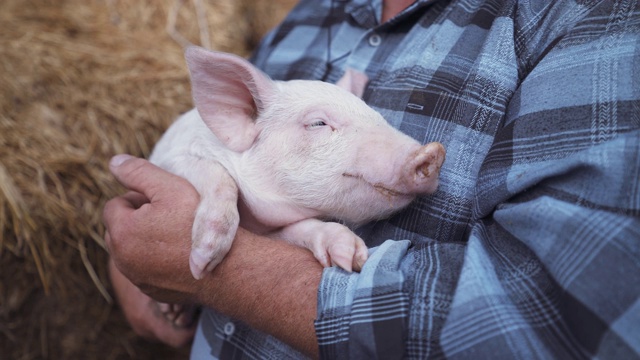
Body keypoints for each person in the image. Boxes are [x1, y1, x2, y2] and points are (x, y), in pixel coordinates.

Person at [103, 0, 640, 358]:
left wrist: (218, 271)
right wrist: (134, 264)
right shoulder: (304, 18)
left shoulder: (588, 18)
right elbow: (212, 163)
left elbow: (557, 317)